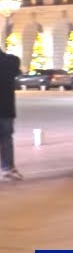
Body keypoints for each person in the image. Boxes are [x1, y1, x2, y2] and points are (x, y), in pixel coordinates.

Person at [0, 46, 22, 181]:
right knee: (6, 139)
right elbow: (17, 71)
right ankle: (8, 168)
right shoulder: (11, 61)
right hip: (6, 108)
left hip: (6, 108)